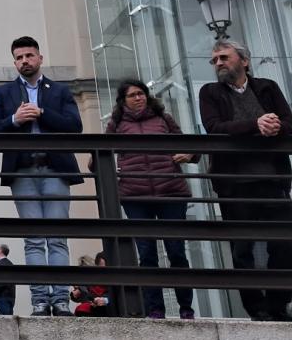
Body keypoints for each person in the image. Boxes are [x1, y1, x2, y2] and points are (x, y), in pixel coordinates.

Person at [0, 36, 84, 316]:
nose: (25, 61)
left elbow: (74, 126)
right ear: (14, 62)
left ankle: (61, 299)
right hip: (23, 171)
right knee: (33, 239)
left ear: (40, 58)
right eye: (19, 57)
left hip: (55, 169)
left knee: (57, 238)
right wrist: (14, 120)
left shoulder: (60, 90)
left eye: (29, 55)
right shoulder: (3, 92)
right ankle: (40, 300)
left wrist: (41, 113)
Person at [198, 39, 292, 322]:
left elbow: (288, 122)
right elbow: (214, 127)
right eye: (215, 60)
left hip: (273, 179)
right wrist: (256, 124)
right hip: (234, 182)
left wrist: (275, 127)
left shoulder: (267, 87)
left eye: (224, 58)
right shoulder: (210, 92)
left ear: (244, 61)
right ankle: (257, 309)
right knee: (242, 249)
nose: (218, 63)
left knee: (284, 243)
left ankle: (277, 303)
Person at [104, 78, 197, 320]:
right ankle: (155, 309)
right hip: (136, 196)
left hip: (171, 192)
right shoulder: (116, 124)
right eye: (132, 95)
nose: (138, 98)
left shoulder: (163, 118)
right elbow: (101, 154)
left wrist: (188, 154)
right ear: (123, 101)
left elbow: (188, 146)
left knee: (177, 252)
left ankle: (186, 308)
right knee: (147, 255)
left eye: (141, 93)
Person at [70, 253, 111, 317]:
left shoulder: (106, 280)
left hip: (106, 307)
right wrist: (77, 293)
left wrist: (104, 300)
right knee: (81, 309)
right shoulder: (86, 285)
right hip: (94, 306)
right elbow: (83, 295)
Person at [0, 244, 16, 315]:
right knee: (9, 317)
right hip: (10, 296)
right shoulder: (10, 263)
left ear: (0, 251)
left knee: (5, 318)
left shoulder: (0, 264)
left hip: (2, 296)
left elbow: (0, 281)